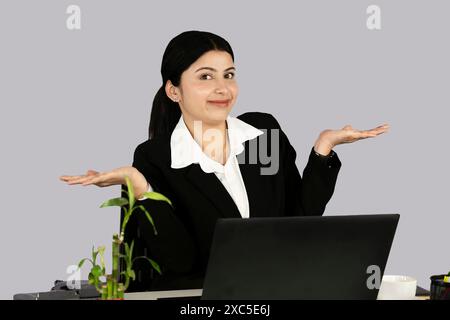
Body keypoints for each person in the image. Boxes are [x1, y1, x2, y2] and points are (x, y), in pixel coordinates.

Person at [60, 30, 389, 291]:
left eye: (228, 75)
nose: (223, 88)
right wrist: (140, 186)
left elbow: (298, 220)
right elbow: (179, 262)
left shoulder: (263, 133)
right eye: (205, 77)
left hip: (275, 293)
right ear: (174, 90)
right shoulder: (156, 158)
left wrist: (322, 150)